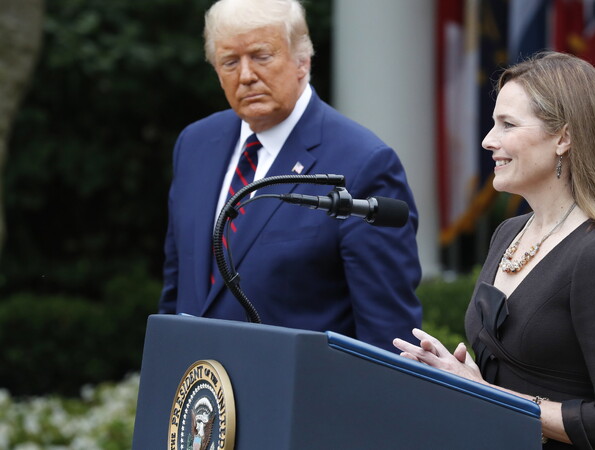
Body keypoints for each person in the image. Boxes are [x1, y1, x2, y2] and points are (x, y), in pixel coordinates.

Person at [394, 51, 595, 449]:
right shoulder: (508, 233)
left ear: (564, 138)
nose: (488, 140)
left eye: (508, 124)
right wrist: (457, 375)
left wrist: (486, 393)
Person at [159, 0, 422, 353]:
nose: (246, 75)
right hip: (198, 383)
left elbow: (388, 339)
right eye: (230, 62)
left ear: (302, 60)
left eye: (261, 56)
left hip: (299, 386)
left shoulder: (363, 163)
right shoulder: (195, 145)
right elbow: (177, 292)